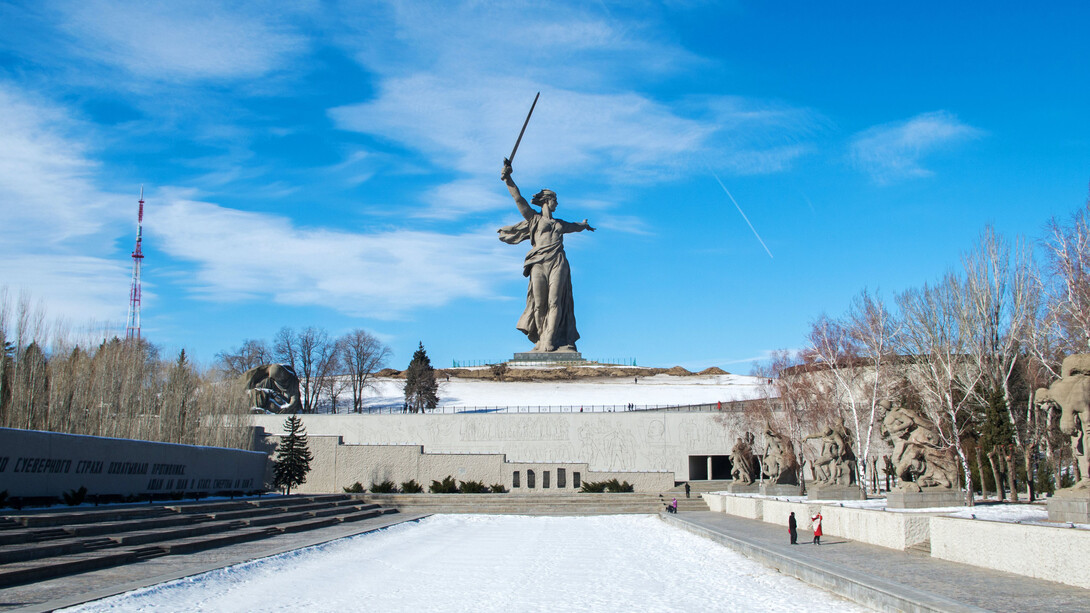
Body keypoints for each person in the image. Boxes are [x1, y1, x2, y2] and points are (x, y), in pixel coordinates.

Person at [499, 161, 594, 353]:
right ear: (547, 201)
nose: (557, 204)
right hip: (538, 262)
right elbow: (519, 199)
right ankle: (541, 338)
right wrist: (508, 179)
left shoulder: (559, 223)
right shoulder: (534, 219)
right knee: (539, 304)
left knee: (555, 301)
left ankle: (550, 339)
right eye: (555, 200)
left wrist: (583, 225)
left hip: (557, 261)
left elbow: (574, 226)